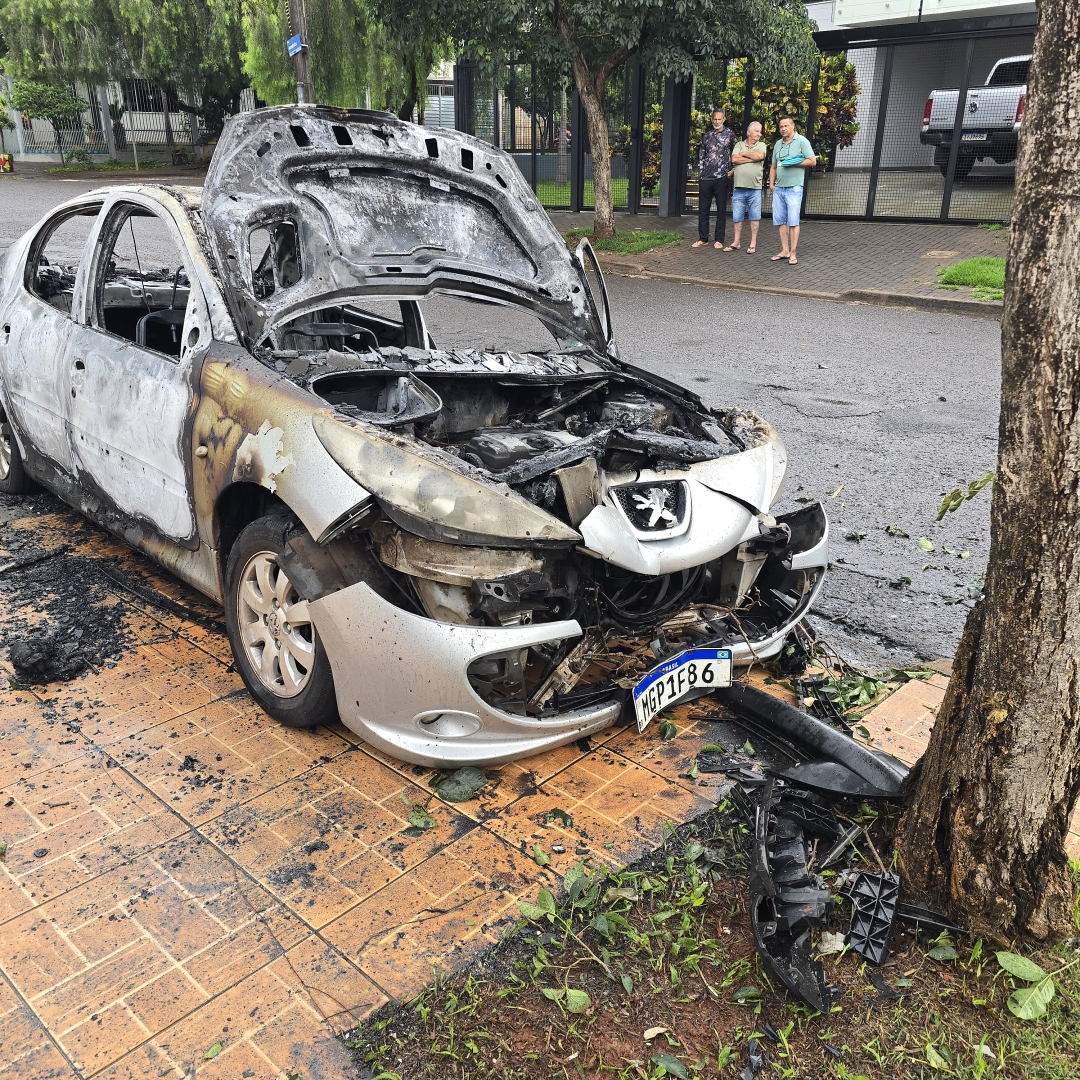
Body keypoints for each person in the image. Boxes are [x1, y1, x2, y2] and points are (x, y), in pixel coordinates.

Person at [768, 116, 817, 265]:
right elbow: (773, 166)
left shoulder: (802, 141)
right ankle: (785, 250)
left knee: (793, 221)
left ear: (793, 126)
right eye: (781, 126)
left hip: (794, 188)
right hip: (779, 189)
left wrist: (793, 163)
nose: (783, 129)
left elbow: (812, 161)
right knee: (781, 221)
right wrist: (771, 185)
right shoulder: (778, 144)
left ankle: (793, 253)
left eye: (786, 126)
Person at [693, 108, 737, 250]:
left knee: (721, 210)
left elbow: (736, 153)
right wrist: (700, 173)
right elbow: (701, 155)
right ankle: (703, 238)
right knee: (703, 210)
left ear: (724, 119)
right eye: (715, 119)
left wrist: (733, 170)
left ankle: (719, 239)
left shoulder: (730, 135)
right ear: (712, 120)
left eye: (719, 119)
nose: (717, 121)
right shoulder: (707, 136)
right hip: (705, 178)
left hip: (722, 177)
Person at [728, 121, 767, 253]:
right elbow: (734, 159)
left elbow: (760, 156)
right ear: (749, 132)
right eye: (756, 131)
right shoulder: (739, 144)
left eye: (760, 131)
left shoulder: (761, 145)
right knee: (737, 218)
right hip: (739, 188)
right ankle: (736, 242)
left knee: (754, 217)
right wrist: (752, 158)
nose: (759, 134)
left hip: (755, 188)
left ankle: (753, 243)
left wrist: (743, 154)